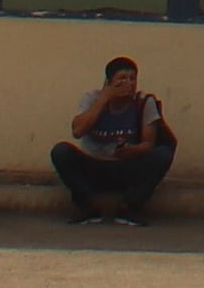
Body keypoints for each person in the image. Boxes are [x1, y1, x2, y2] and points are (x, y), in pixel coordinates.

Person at [51, 56, 175, 224]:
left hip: (126, 166)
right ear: (108, 82)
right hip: (94, 165)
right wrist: (104, 98)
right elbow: (78, 131)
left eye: (132, 79)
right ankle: (89, 206)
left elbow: (148, 144)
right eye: (122, 79)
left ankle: (129, 207)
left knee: (162, 154)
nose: (128, 83)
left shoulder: (144, 102)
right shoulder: (92, 98)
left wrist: (132, 150)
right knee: (61, 152)